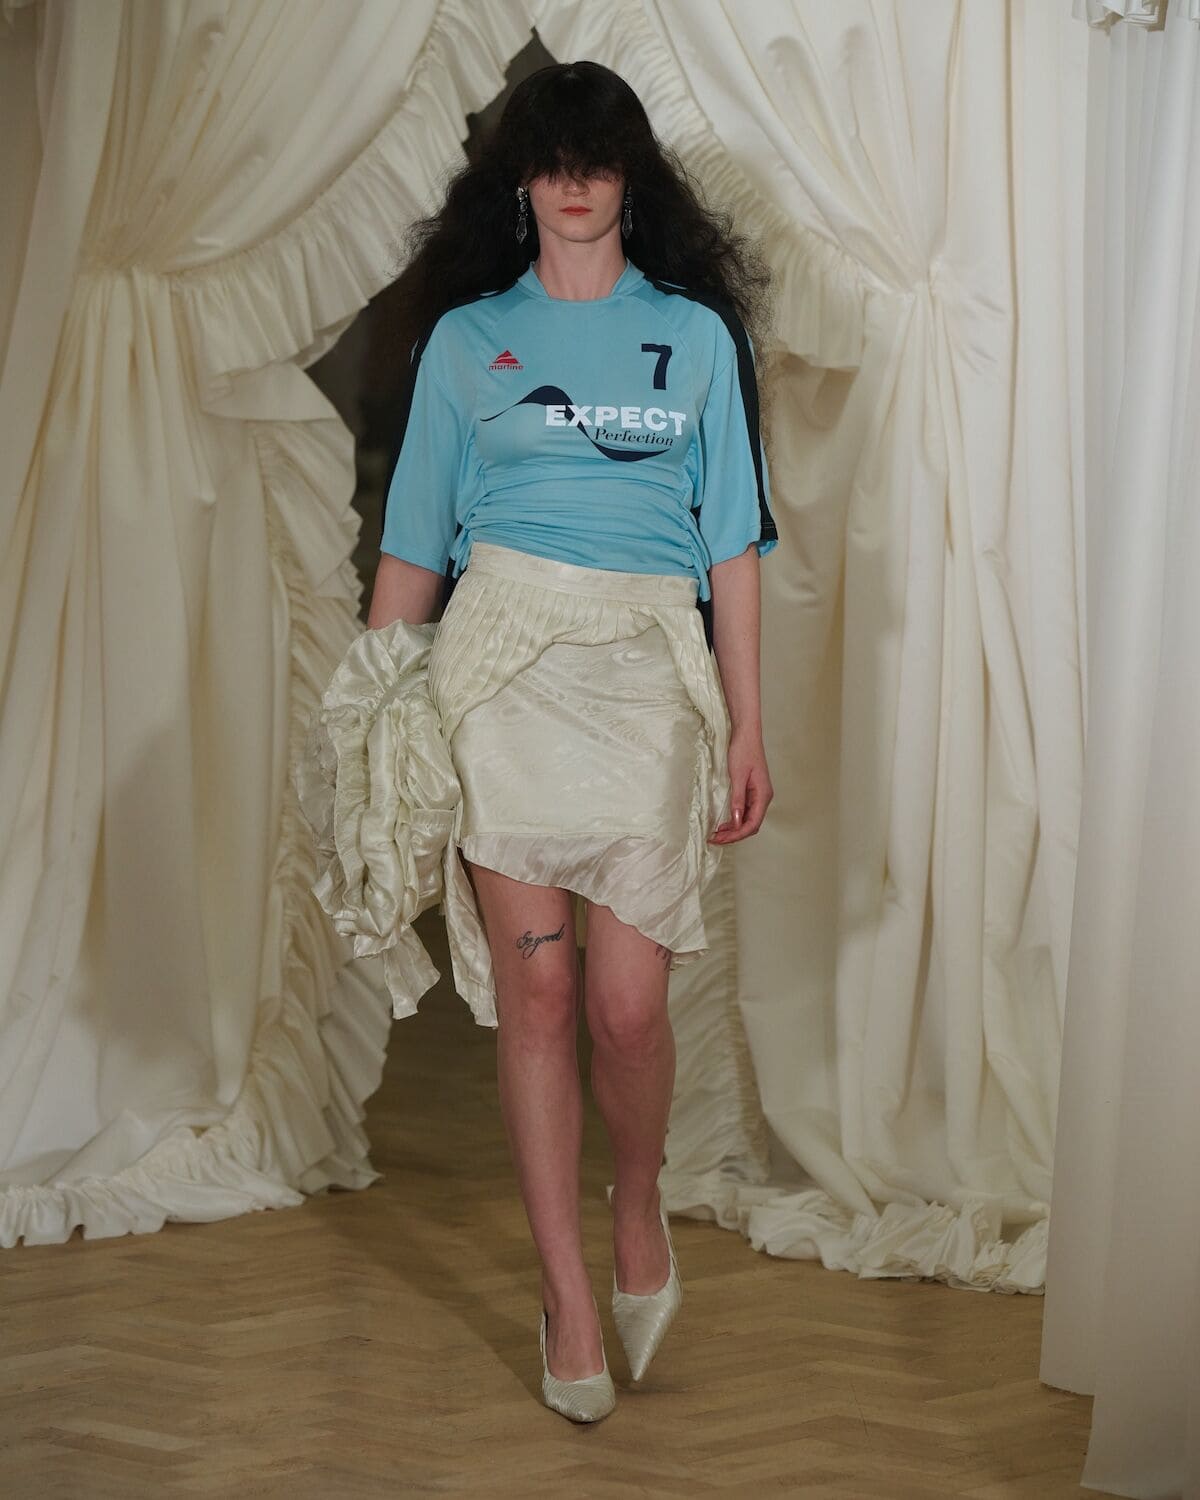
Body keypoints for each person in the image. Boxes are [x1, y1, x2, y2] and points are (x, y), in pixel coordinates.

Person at [367, 60, 777, 1422]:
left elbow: (733, 545)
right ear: (520, 180)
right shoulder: (465, 343)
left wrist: (748, 723)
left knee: (627, 1008)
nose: (574, 181)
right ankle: (565, 1297)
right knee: (537, 995)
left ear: (630, 174)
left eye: (597, 158)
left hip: (649, 667)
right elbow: (414, 548)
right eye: (550, 159)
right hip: (501, 666)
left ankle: (637, 1201)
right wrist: (373, 722)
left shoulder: (698, 340)